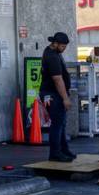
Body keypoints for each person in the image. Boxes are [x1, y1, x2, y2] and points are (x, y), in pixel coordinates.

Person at [39, 32, 75, 162]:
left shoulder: (52, 52)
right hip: (53, 94)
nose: (64, 49)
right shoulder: (52, 56)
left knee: (61, 123)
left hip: (52, 93)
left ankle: (63, 150)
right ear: (55, 44)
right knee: (57, 124)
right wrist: (65, 98)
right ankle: (55, 153)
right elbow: (57, 79)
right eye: (62, 46)